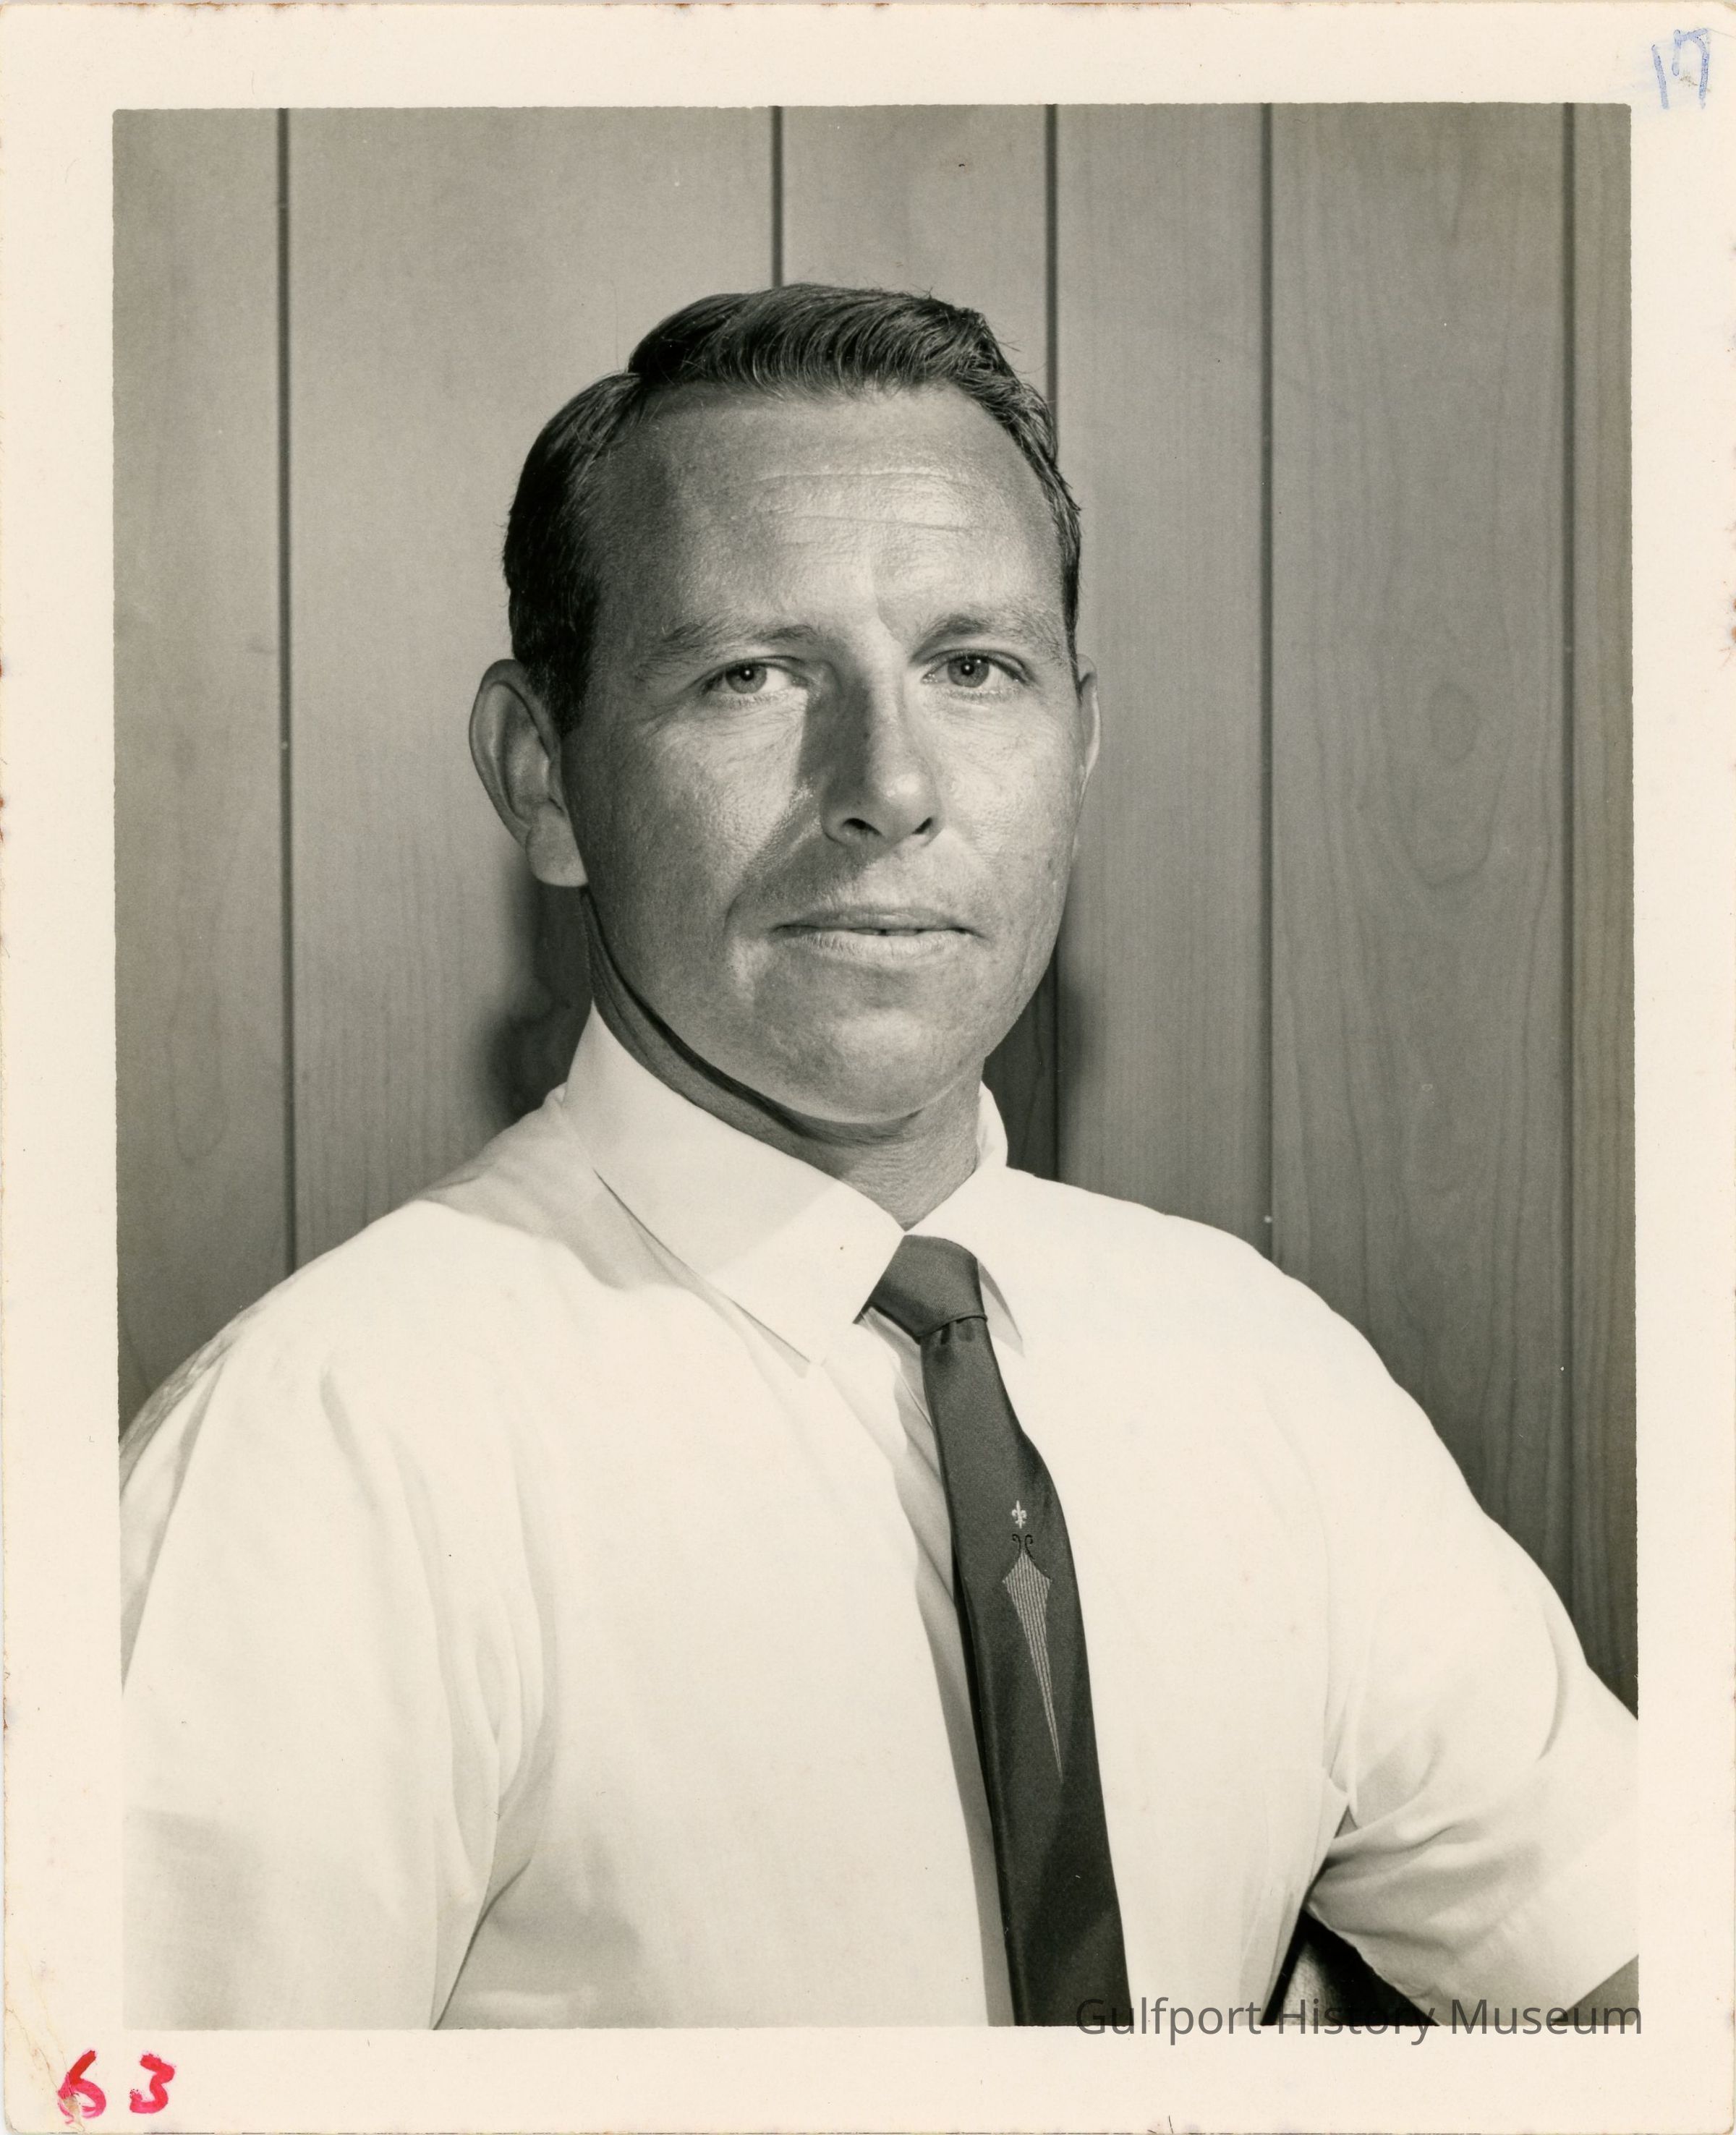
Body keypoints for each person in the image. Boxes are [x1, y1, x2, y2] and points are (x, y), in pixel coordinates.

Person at [121, 286, 1636, 2032]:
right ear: (542, 778)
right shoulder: (318, 1462)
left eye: (975, 669)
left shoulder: (1266, 1371)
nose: (890, 786)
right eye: (753, 675)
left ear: (1079, 741)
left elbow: (1644, 1981)